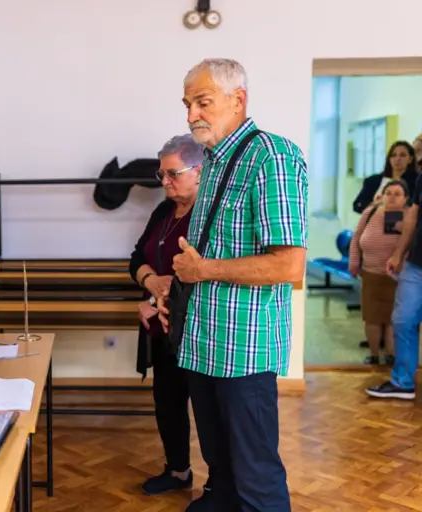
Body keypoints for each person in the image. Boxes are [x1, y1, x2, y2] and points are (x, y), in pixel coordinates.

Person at [158, 58, 307, 511]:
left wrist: (203, 272)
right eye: (187, 104)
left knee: (255, 475)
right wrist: (177, 287)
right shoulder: (216, 161)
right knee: (220, 464)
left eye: (203, 102)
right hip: (205, 342)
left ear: (238, 100)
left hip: (243, 351)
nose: (191, 115)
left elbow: (288, 265)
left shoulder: (272, 157)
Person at [128, 134, 203, 496]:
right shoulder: (163, 211)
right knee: (168, 405)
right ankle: (178, 471)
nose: (166, 182)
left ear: (199, 172)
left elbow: (203, 275)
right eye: (162, 175)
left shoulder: (209, 216)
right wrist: (152, 283)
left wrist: (161, 295)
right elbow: (135, 259)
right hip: (163, 329)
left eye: (173, 174)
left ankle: (219, 487)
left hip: (197, 330)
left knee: (206, 412)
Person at [366, 172, 422, 400]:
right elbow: (412, 217)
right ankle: (402, 381)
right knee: (403, 320)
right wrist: (398, 254)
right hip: (417, 263)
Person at [348, 180, 408, 365]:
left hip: (399, 276)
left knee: (392, 318)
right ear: (382, 195)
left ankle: (391, 354)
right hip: (370, 273)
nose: (392, 197)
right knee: (372, 317)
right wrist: (354, 262)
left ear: (406, 198)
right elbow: (357, 237)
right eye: (388, 192)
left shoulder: (410, 216)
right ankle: (374, 354)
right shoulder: (371, 212)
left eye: (397, 194)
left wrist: (401, 227)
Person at [352, 141, 417, 214]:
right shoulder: (372, 180)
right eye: (393, 155)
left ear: (410, 159)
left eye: (402, 155)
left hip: (404, 223)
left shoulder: (416, 181)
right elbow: (357, 205)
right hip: (375, 221)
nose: (397, 158)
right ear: (389, 158)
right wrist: (373, 206)